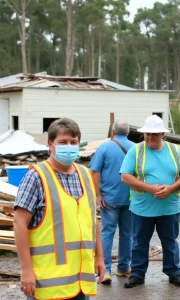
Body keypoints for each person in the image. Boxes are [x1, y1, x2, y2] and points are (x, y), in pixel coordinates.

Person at [13, 118, 105, 300]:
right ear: (50, 144)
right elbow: (19, 223)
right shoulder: (36, 177)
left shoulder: (85, 175)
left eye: (73, 142)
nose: (69, 146)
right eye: (63, 142)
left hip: (80, 281)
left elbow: (92, 221)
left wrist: (99, 257)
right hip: (47, 283)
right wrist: (26, 270)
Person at [120, 114, 180, 288]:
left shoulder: (175, 151)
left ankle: (174, 273)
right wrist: (149, 188)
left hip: (169, 207)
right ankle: (137, 274)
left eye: (154, 134)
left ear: (163, 135)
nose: (150, 137)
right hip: (142, 208)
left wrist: (171, 188)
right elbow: (125, 177)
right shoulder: (135, 150)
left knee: (170, 242)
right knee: (139, 242)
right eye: (147, 134)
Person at [89, 120, 135, 284]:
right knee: (127, 233)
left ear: (113, 132)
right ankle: (123, 267)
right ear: (128, 132)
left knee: (107, 233)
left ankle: (106, 270)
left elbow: (94, 172)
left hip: (109, 198)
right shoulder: (135, 148)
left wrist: (98, 195)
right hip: (130, 198)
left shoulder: (104, 147)